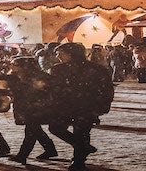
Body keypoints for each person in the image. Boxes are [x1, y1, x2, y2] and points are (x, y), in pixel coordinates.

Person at [48, 43, 114, 171]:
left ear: (71, 54)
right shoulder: (58, 69)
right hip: (65, 105)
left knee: (82, 131)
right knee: (55, 127)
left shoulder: (95, 69)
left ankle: (78, 161)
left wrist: (102, 105)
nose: (58, 56)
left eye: (60, 53)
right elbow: (52, 87)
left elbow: (106, 89)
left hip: (87, 105)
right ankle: (83, 146)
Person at [6, 57, 58, 165]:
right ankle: (49, 149)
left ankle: (22, 155)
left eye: (14, 64)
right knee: (35, 129)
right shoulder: (17, 77)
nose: (11, 66)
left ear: (24, 67)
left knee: (31, 130)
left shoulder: (37, 78)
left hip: (36, 108)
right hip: (28, 107)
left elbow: (44, 92)